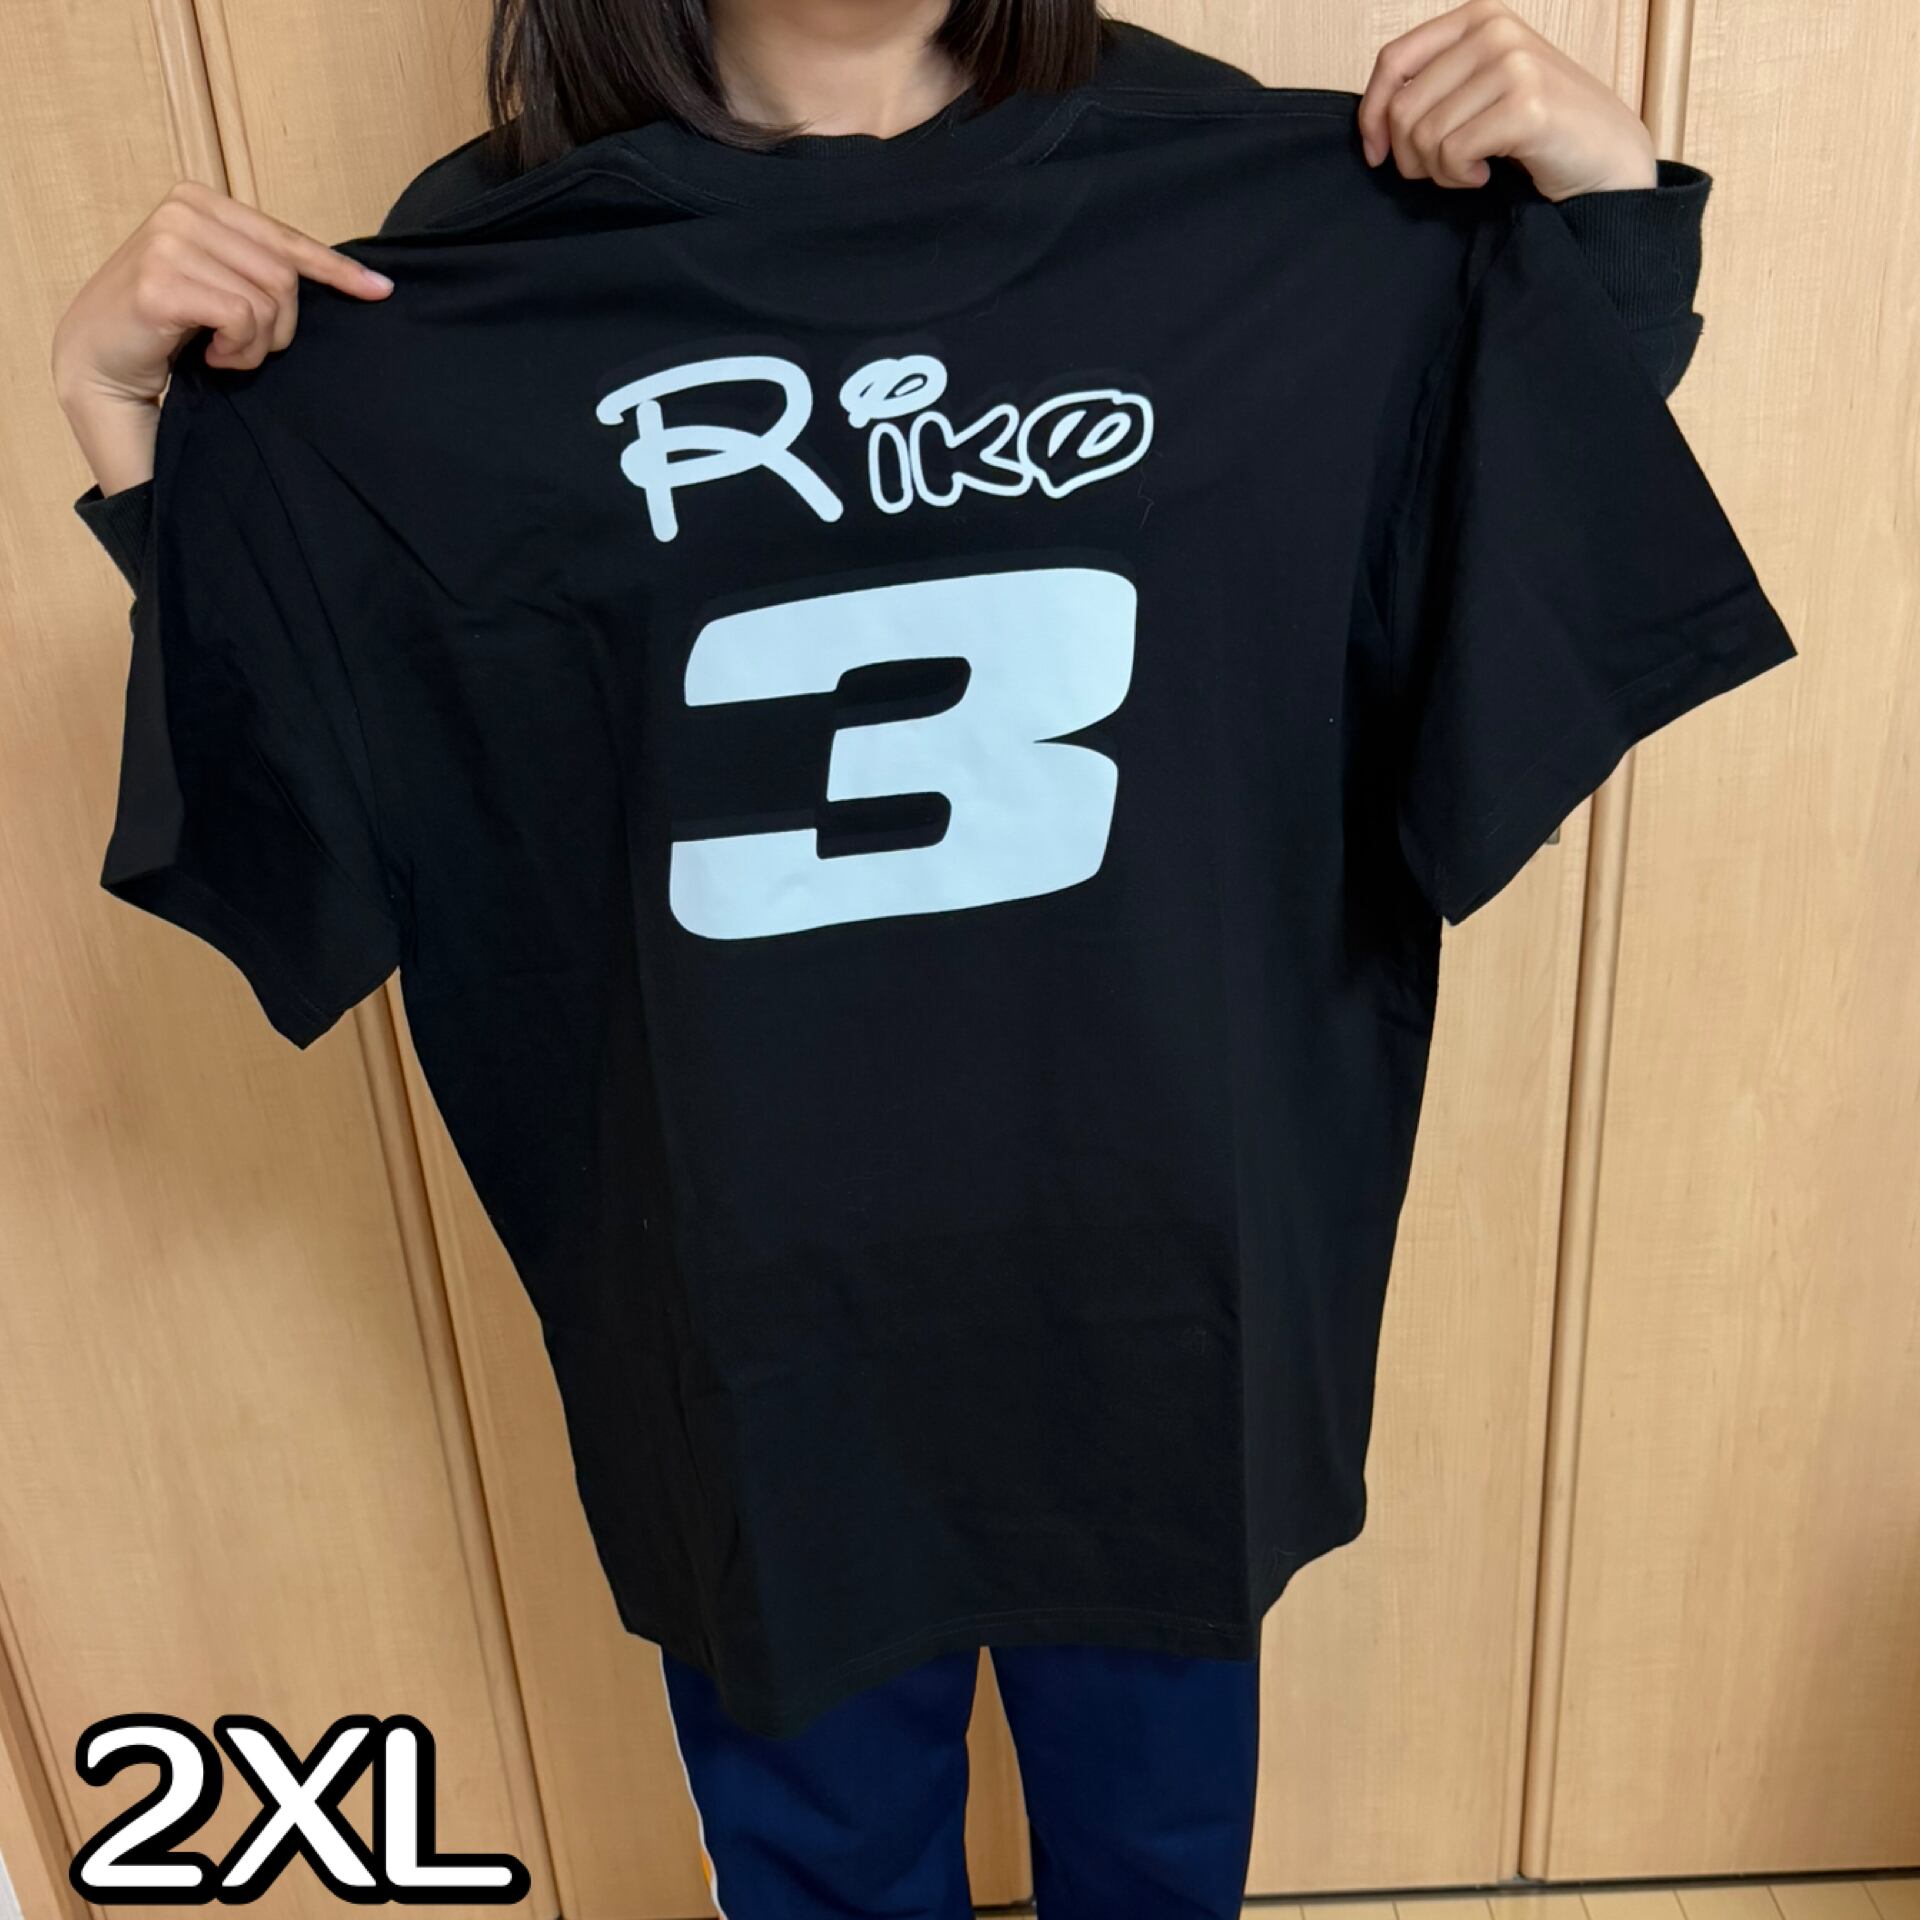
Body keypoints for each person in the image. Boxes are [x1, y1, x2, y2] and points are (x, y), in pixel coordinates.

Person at [50, 4, 1787, 1916]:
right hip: (742, 1305)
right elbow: (333, 759)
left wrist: (1607, 221)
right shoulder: (470, 281)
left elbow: (1500, 550)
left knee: (1156, 1853)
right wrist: (138, 436)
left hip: (1157, 1270)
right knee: (822, 1866)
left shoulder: (1263, 193)